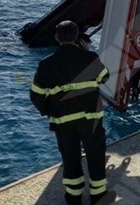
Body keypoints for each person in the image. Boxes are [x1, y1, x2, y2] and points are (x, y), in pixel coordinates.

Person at [31, 21, 110, 204]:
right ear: (77, 37)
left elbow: (36, 95)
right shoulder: (90, 57)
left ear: (57, 37)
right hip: (91, 119)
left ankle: (74, 197)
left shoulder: (46, 64)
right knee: (95, 156)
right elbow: (104, 77)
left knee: (70, 158)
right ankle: (98, 195)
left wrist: (49, 110)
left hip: (64, 121)